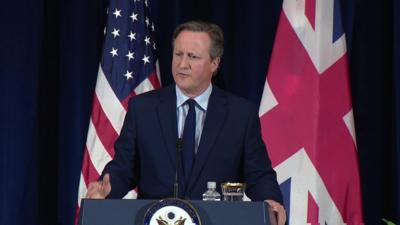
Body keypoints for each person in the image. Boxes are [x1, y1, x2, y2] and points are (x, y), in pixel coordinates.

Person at [87, 20, 286, 224]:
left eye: (193, 57)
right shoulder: (143, 109)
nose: (182, 64)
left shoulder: (240, 115)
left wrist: (270, 201)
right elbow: (124, 168)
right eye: (178, 54)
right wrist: (107, 189)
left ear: (214, 63)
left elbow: (259, 174)